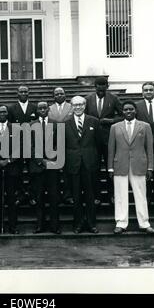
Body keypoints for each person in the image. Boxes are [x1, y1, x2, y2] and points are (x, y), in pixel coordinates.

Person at [108, 100, 154, 234]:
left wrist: (150, 167)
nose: (128, 112)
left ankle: (144, 223)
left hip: (139, 164)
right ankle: (121, 223)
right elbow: (111, 148)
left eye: (131, 109)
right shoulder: (115, 127)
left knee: (141, 195)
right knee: (120, 195)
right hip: (120, 165)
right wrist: (110, 167)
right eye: (125, 110)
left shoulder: (145, 126)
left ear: (135, 111)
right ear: (122, 112)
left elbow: (149, 148)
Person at [85, 77, 122, 207]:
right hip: (92, 139)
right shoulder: (88, 99)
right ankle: (96, 195)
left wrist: (111, 121)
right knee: (94, 169)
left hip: (109, 138)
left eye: (103, 85)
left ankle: (111, 195)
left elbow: (122, 115)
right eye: (98, 85)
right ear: (94, 86)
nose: (100, 88)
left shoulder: (114, 98)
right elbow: (83, 117)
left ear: (107, 85)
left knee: (110, 167)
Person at [65, 96, 100, 234]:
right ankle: (78, 224)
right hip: (73, 164)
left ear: (85, 106)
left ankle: (92, 224)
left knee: (90, 196)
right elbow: (63, 145)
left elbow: (99, 143)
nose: (78, 107)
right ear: (71, 106)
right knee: (76, 197)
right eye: (75, 105)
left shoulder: (94, 121)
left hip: (89, 164)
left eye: (80, 105)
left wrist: (95, 160)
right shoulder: (65, 123)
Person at [0, 105, 22, 234]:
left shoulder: (16, 128)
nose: (2, 113)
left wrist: (8, 160)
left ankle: (13, 226)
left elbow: (20, 147)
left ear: (7, 113)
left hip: (11, 168)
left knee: (12, 199)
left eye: (4, 111)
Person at [29, 102, 61, 234]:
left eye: (44, 108)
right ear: (37, 111)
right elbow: (28, 146)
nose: (42, 110)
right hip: (37, 167)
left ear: (48, 109)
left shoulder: (56, 124)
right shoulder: (31, 125)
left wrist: (52, 159)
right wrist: (41, 160)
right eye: (40, 108)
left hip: (52, 166)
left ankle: (55, 226)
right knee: (39, 197)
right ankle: (39, 225)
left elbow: (60, 144)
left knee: (54, 197)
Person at [8, 85, 37, 206]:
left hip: (32, 143)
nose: (24, 93)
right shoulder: (11, 108)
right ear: (17, 93)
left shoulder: (35, 107)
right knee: (17, 171)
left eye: (26, 91)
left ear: (29, 93)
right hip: (17, 143)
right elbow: (9, 125)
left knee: (32, 171)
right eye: (21, 91)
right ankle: (20, 194)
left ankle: (32, 195)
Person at [48, 86, 74, 205]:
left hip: (69, 141)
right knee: (55, 172)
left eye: (61, 93)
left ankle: (68, 194)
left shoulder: (72, 107)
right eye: (56, 94)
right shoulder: (49, 108)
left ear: (65, 94)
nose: (59, 95)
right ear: (53, 96)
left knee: (68, 170)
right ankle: (56, 195)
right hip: (54, 142)